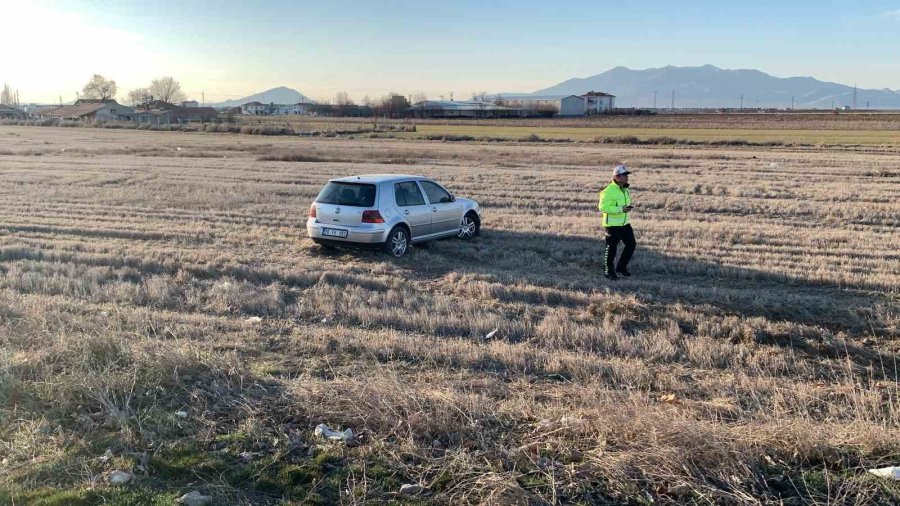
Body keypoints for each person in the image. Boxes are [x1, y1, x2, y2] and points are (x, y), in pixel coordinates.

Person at [598, 165, 636, 280]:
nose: (627, 177)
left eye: (627, 175)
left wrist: (626, 208)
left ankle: (621, 267)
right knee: (611, 249)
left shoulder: (625, 189)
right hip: (612, 225)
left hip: (625, 223)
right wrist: (620, 209)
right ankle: (608, 271)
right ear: (617, 177)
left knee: (631, 244)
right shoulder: (608, 191)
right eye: (624, 175)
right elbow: (603, 207)